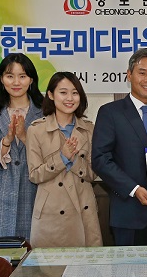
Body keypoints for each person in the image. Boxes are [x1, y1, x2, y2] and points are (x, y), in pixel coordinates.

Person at [92, 48, 147, 246]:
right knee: (129, 266)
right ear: (129, 75)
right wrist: (134, 189)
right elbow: (100, 159)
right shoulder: (110, 112)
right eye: (142, 73)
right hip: (129, 213)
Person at [26, 72, 102, 247]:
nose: (70, 98)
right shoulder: (36, 130)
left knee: (86, 262)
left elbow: (93, 174)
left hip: (83, 209)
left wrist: (73, 160)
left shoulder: (89, 129)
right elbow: (34, 175)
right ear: (51, 95)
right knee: (50, 263)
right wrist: (61, 158)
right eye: (63, 92)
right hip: (51, 213)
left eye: (75, 93)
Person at [0, 53, 44, 240]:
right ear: (1, 79)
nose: (16, 82)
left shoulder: (45, 112)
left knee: (34, 255)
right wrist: (6, 141)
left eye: (22, 76)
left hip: (35, 195)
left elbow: (49, 157)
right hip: (1, 200)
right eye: (10, 76)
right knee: (1, 254)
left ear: (31, 79)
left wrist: (24, 137)